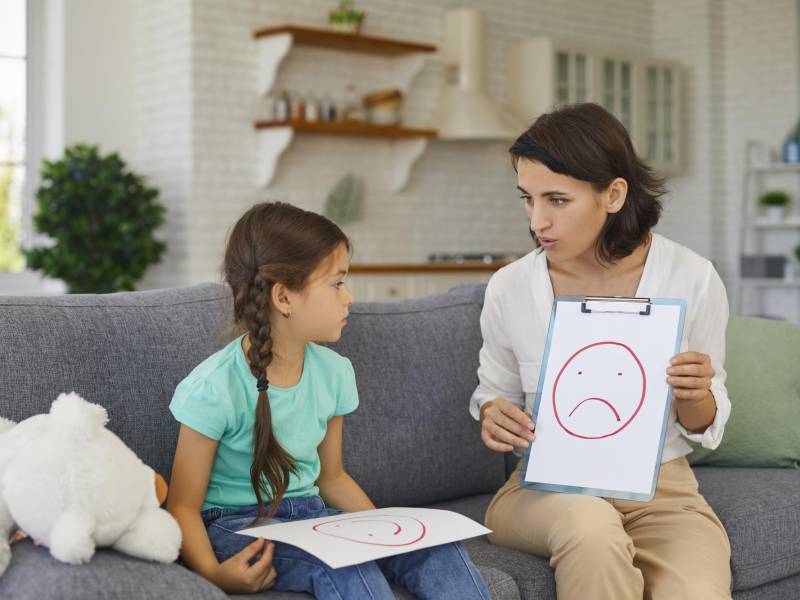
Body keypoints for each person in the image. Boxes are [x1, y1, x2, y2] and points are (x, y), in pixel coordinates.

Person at [473, 103, 732, 599]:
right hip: (543, 488)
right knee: (589, 525)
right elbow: (493, 394)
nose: (537, 220)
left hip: (663, 490)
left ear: (613, 194)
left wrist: (695, 391)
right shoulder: (510, 287)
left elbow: (703, 425)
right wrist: (493, 414)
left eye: (557, 200)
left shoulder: (692, 277)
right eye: (527, 199)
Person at [167, 201, 490, 599]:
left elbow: (331, 477)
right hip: (237, 527)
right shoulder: (213, 388)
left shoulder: (335, 372)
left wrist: (394, 534)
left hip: (312, 517)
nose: (350, 296)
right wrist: (215, 576)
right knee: (346, 570)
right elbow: (182, 506)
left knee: (438, 551)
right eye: (337, 283)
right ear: (284, 298)